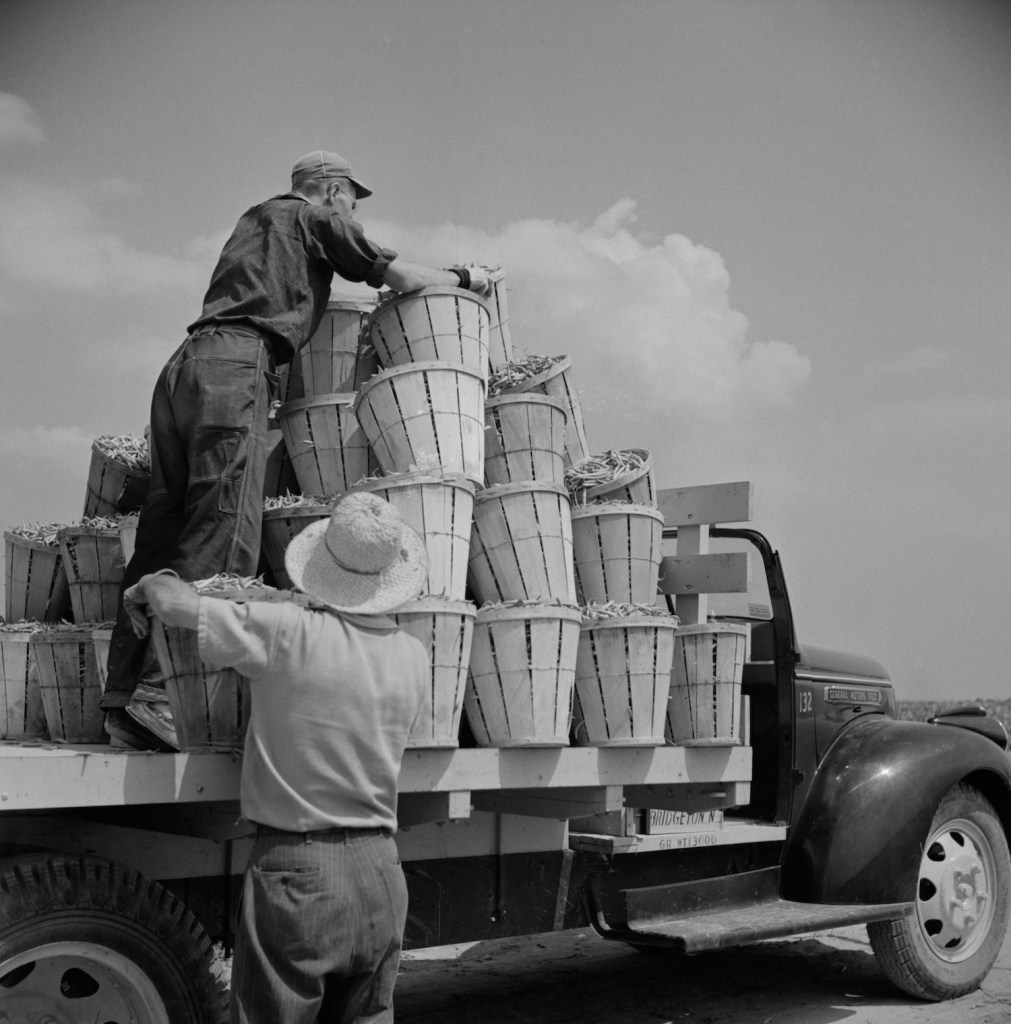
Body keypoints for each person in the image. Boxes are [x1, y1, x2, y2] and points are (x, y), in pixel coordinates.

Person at [102, 149, 491, 749]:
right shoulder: (315, 219)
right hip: (238, 365)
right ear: (334, 191)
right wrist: (466, 278)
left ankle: (123, 698)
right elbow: (404, 278)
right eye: (353, 202)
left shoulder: (253, 220)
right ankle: (163, 698)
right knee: (225, 524)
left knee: (164, 526)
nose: (353, 212)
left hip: (184, 367)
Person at [121, 490, 430, 1023]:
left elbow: (176, 606)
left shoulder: (288, 632)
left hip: (301, 872)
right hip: (381, 869)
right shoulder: (412, 654)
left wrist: (149, 581)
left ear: (321, 570)